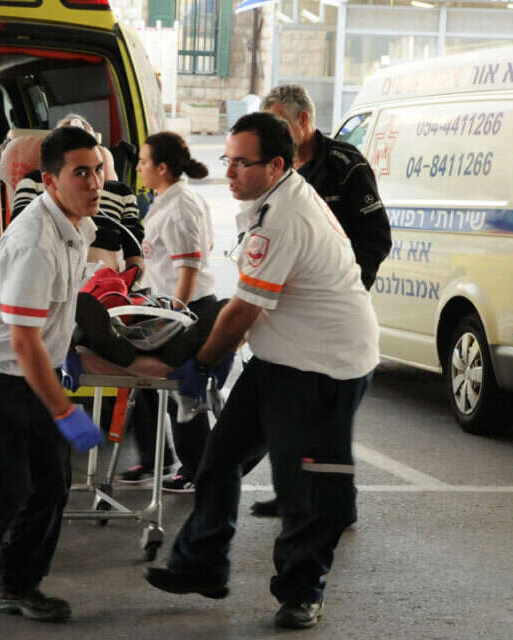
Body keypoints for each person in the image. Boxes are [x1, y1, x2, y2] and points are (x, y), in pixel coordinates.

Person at [144, 112, 379, 629]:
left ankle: (302, 592)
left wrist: (203, 361)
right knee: (220, 456)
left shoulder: (283, 217)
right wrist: (215, 353)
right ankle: (202, 564)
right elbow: (251, 304)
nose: (228, 172)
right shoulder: (269, 202)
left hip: (325, 366)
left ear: (275, 165)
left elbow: (244, 308)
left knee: (305, 486)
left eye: (241, 163)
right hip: (282, 357)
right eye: (226, 160)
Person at [0, 126, 105, 623]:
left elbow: (50, 319)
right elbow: (22, 341)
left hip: (32, 369)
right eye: (80, 173)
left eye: (98, 170)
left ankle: (16, 586)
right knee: (1, 490)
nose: (95, 182)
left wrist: (68, 350)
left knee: (51, 485)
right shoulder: (36, 243)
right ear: (50, 181)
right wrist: (64, 411)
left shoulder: (76, 227)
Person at [249, 83, 391, 519]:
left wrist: (344, 288)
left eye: (278, 123)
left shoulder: (346, 167)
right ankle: (291, 494)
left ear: (304, 121)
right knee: (289, 413)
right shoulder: (274, 167)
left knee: (330, 420)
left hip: (333, 313)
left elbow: (376, 238)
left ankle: (337, 509)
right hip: (288, 313)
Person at [115, 131, 216, 493]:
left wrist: (175, 317)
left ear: (162, 168)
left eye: (144, 162)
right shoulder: (168, 200)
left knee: (181, 391)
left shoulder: (180, 207)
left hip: (186, 308)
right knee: (147, 382)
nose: (139, 168)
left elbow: (188, 269)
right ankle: (158, 459)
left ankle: (197, 470)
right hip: (171, 305)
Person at [11, 114, 145, 275]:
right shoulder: (34, 182)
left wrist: (130, 279)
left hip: (107, 283)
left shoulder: (122, 193)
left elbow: (135, 247)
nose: (94, 185)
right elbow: (21, 232)